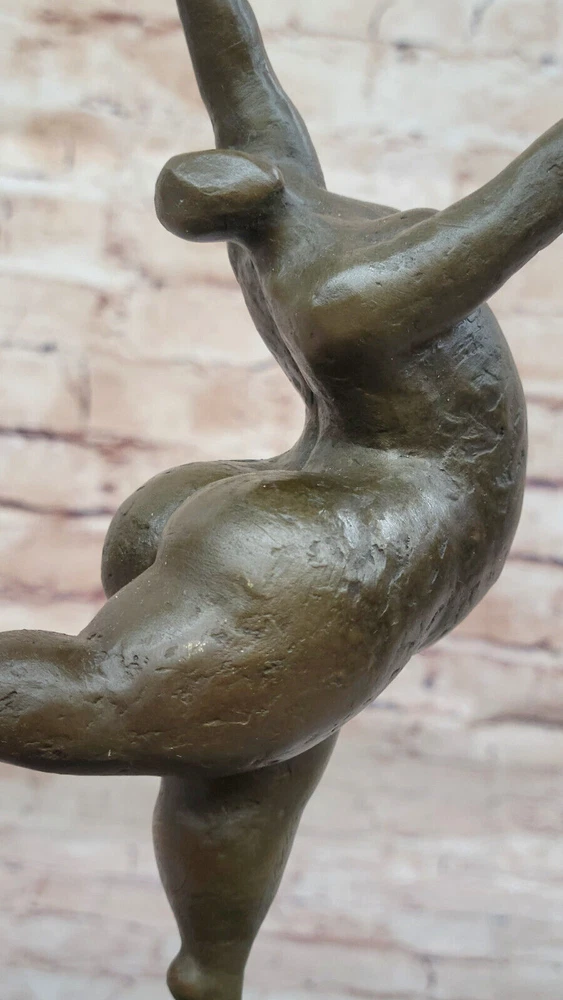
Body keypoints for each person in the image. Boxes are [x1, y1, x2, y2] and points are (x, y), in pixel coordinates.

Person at [3, 1, 562, 997]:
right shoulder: (358, 285)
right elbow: (535, 189)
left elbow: (239, 69)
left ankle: (209, 970)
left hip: (274, 505)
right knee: (106, 698)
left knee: (246, 753)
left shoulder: (274, 212)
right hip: (347, 539)